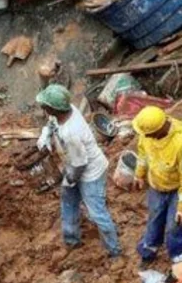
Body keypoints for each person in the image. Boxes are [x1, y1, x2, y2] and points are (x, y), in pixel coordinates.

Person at [35, 84, 121, 257]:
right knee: (68, 201)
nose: (42, 107)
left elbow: (80, 164)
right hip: (73, 166)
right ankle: (72, 240)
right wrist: (45, 134)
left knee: (97, 213)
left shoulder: (71, 133)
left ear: (53, 108)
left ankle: (114, 250)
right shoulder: (66, 110)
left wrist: (65, 179)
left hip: (90, 174)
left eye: (45, 105)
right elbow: (52, 123)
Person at [132, 106, 182, 267]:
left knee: (176, 225)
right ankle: (150, 249)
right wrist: (139, 174)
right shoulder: (147, 136)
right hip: (156, 186)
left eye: (148, 134)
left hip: (177, 190)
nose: (145, 136)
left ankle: (180, 257)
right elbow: (143, 154)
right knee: (154, 219)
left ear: (158, 130)